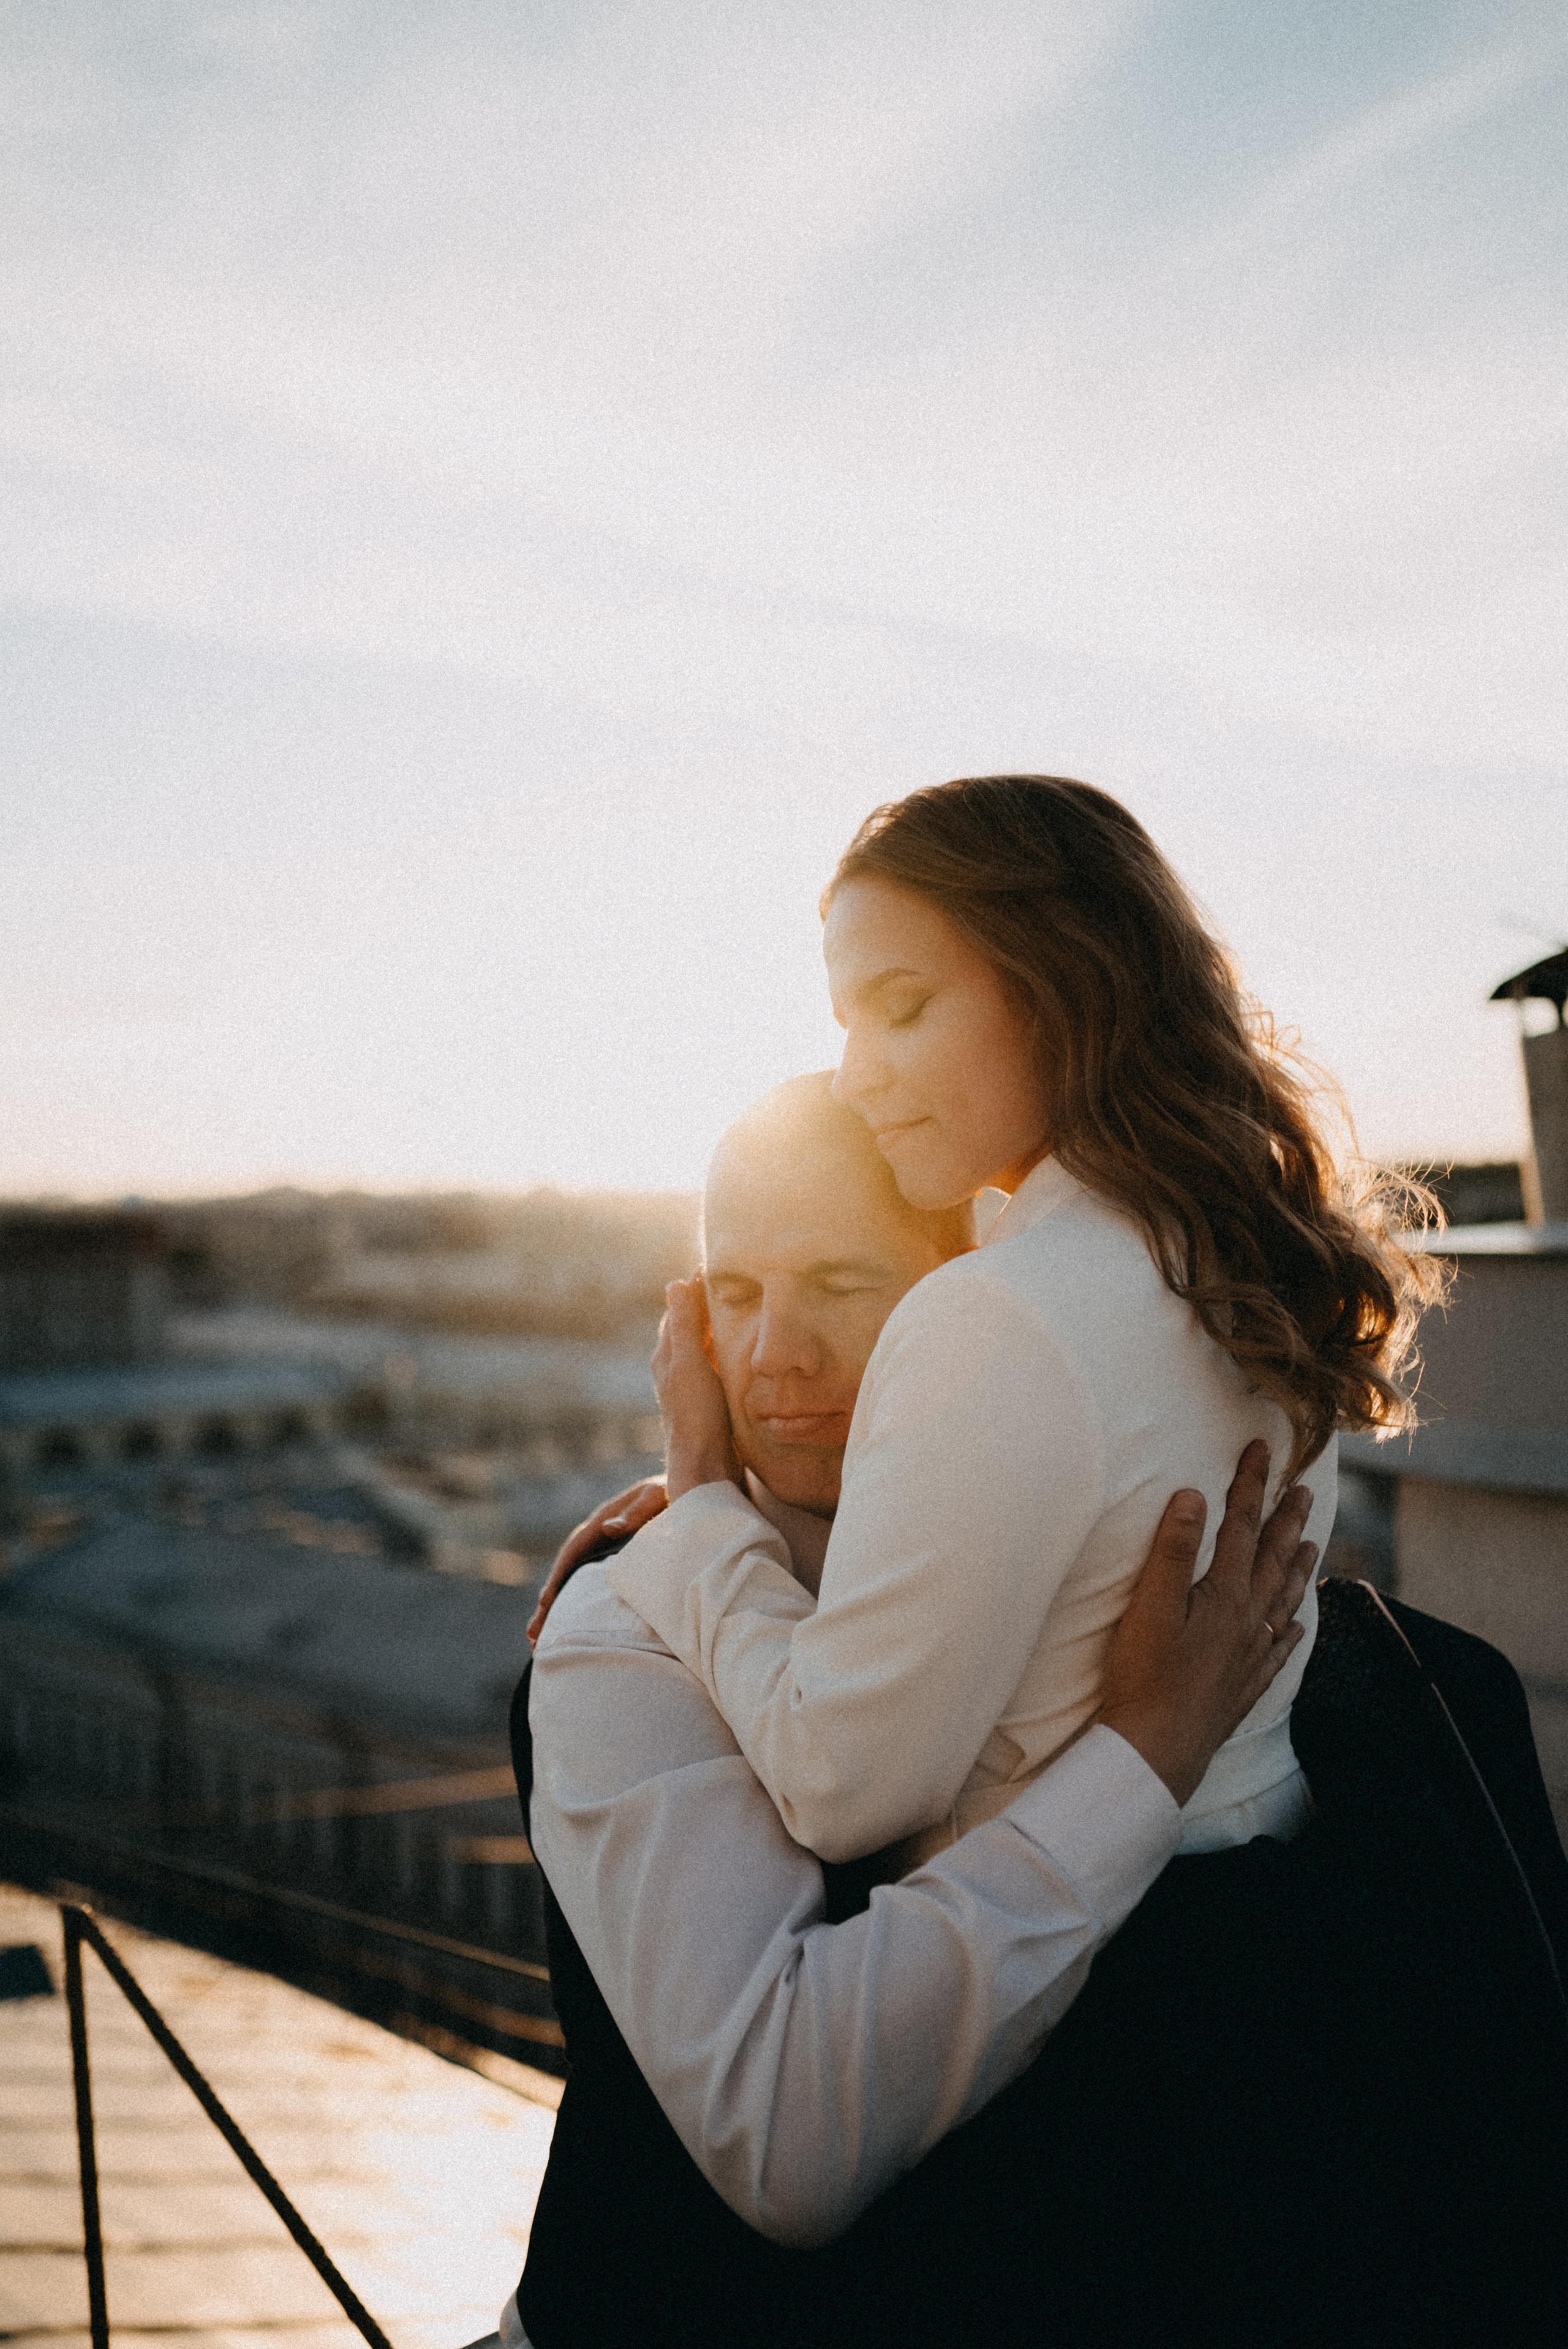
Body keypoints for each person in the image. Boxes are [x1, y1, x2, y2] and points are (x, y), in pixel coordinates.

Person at [496, 1073, 1318, 2347]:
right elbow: (789, 2136)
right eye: (734, 1293)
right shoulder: (622, 1629)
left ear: (967, 1306)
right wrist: (1142, 1756)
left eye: (840, 1283)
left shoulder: (1065, 1580)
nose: (774, 1354)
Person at [605, 777, 1431, 1872]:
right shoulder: (1238, 1265)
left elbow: (834, 1785)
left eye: (902, 1007)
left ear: (1067, 985)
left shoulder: (1000, 1316)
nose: (856, 1080)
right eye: (848, 1026)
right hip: (1270, 1925)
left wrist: (705, 1510)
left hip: (1087, 1987)